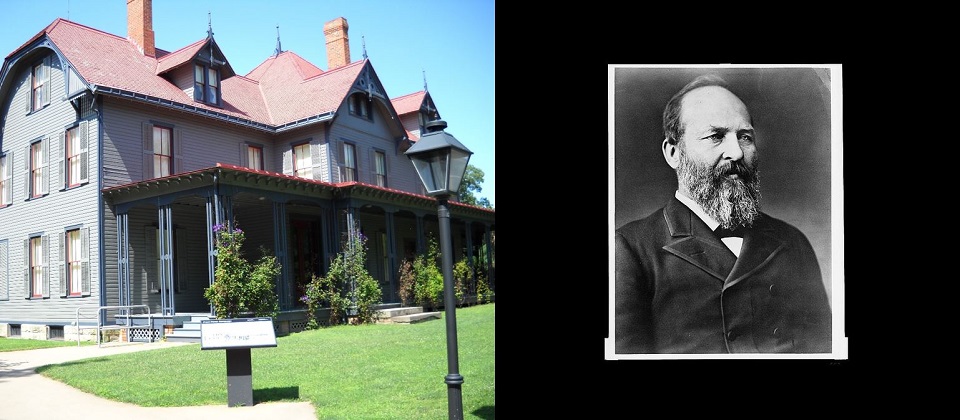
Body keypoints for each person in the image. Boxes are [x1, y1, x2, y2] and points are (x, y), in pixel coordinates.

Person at [614, 74, 831, 354]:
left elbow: (824, 348)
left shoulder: (792, 242)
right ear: (673, 153)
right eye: (716, 136)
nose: (737, 152)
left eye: (745, 137)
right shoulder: (631, 248)